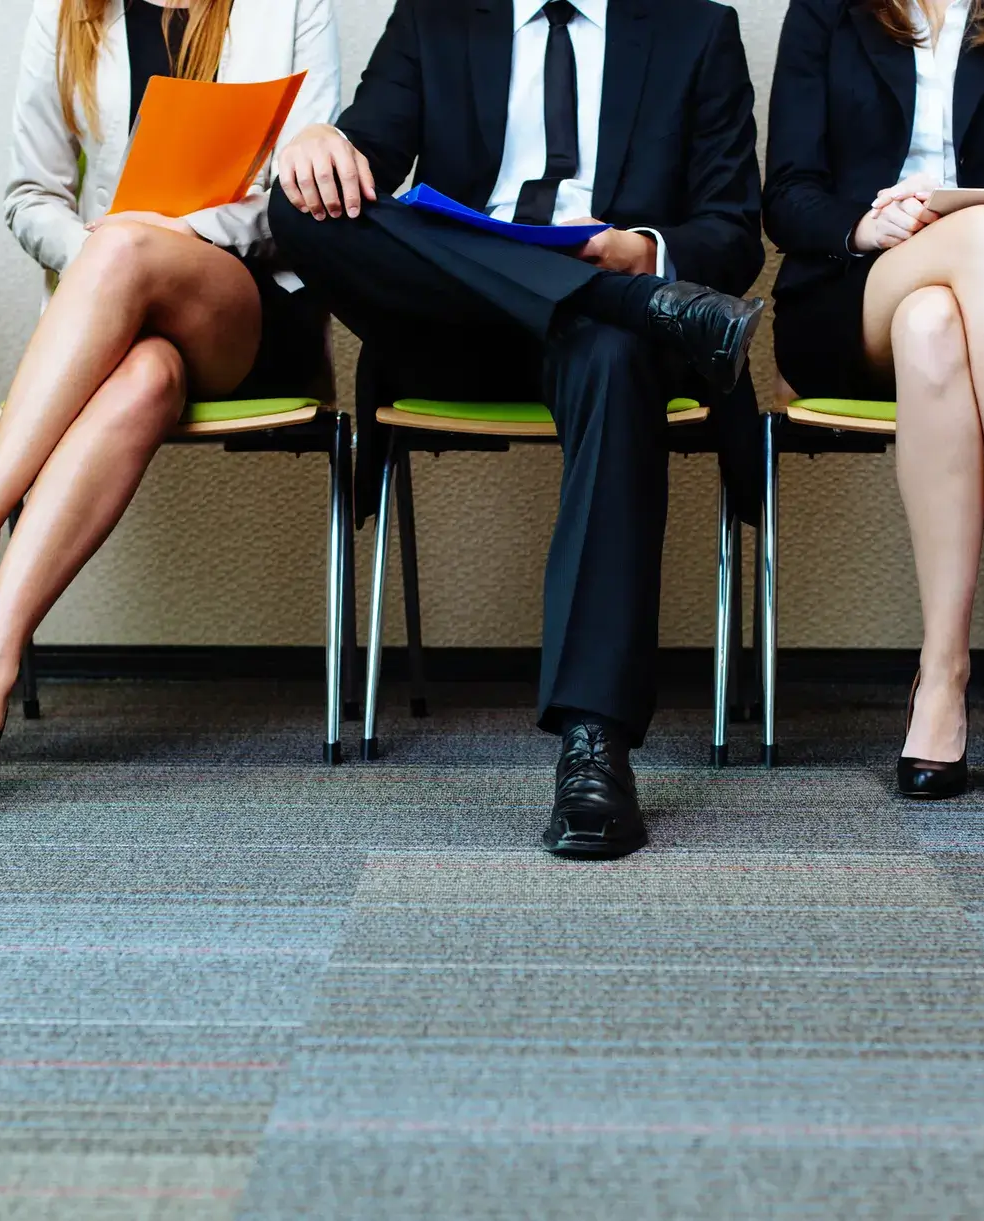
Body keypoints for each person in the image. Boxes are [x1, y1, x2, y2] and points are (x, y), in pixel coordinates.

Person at [267, 0, 769, 860]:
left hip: (605, 341)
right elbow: (360, 170)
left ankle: (594, 745)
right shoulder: (437, 19)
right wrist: (313, 145)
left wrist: (643, 252)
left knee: (611, 350)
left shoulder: (695, 28)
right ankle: (630, 305)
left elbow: (732, 232)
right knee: (297, 208)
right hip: (460, 332)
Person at [0, 0, 341, 814]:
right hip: (121, 326)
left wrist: (151, 237)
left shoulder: (291, 5)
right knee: (144, 377)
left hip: (249, 310)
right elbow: (30, 196)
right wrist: (101, 254)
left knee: (129, 246)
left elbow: (304, 191)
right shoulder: (71, 12)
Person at [763, 0, 984, 799]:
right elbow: (786, 192)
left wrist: (953, 215)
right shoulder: (828, 12)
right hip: (849, 296)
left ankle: (942, 678)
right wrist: (871, 225)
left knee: (938, 322)